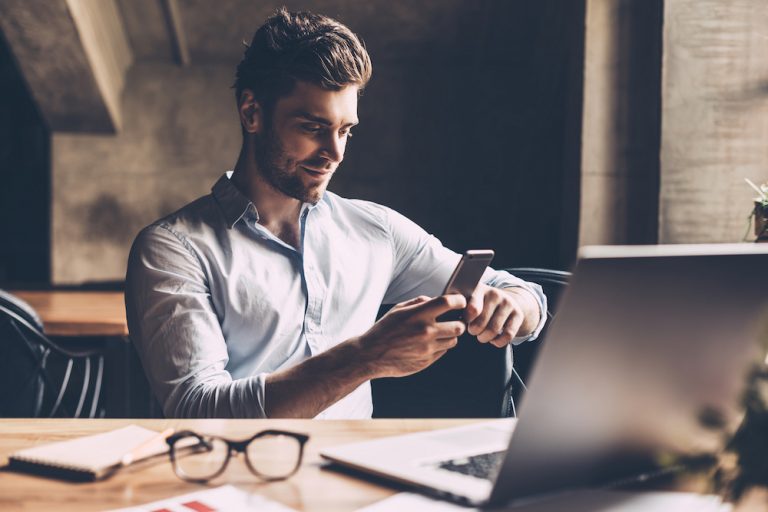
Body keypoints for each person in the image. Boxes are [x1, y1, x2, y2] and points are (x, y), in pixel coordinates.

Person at [125, 8, 546, 419]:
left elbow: (520, 293)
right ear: (252, 112)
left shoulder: (375, 230)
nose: (335, 153)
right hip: (236, 478)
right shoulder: (172, 249)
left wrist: (513, 306)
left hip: (358, 476)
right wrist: (364, 357)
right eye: (313, 128)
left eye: (345, 130)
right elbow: (197, 410)